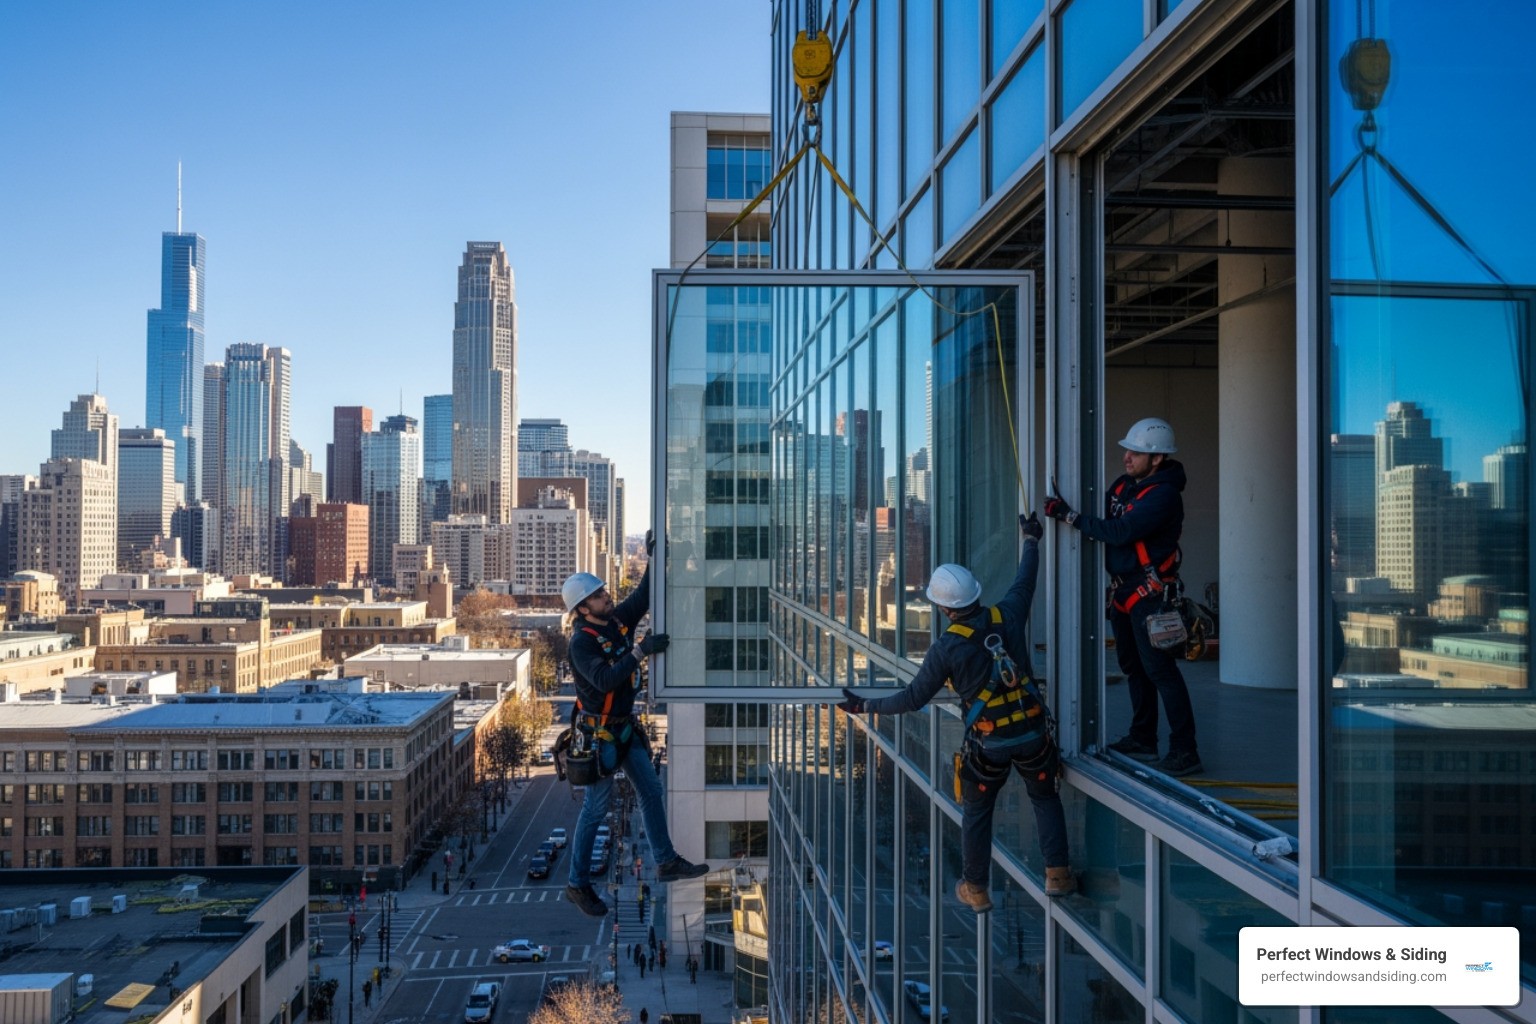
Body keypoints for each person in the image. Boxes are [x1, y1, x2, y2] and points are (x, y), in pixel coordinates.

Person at [837, 513, 1073, 912]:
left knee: (977, 813)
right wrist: (1031, 538)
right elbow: (1025, 580)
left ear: (943, 609)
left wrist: (863, 705)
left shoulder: (945, 649)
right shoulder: (1008, 614)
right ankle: (1058, 876)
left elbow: (912, 699)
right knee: (1045, 798)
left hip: (990, 744)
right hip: (1033, 734)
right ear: (975, 595)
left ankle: (977, 889)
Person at [561, 532, 709, 918]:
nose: (606, 597)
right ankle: (577, 884)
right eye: (598, 596)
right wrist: (641, 651)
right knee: (595, 808)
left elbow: (643, 596)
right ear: (582, 609)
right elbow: (606, 679)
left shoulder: (616, 622)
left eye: (604, 593)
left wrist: (655, 557)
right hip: (600, 735)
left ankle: (666, 859)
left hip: (623, 729)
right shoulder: (582, 642)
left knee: (650, 788)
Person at [1044, 416, 1201, 777]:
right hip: (1126, 591)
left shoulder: (1163, 496)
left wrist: (1069, 516)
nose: (1127, 457)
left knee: (1161, 671)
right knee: (1134, 668)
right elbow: (1106, 517)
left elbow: (1121, 531)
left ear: (1157, 458)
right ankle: (1143, 736)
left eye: (1136, 452)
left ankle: (1185, 750)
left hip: (1149, 593)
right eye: (1128, 450)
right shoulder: (1125, 486)